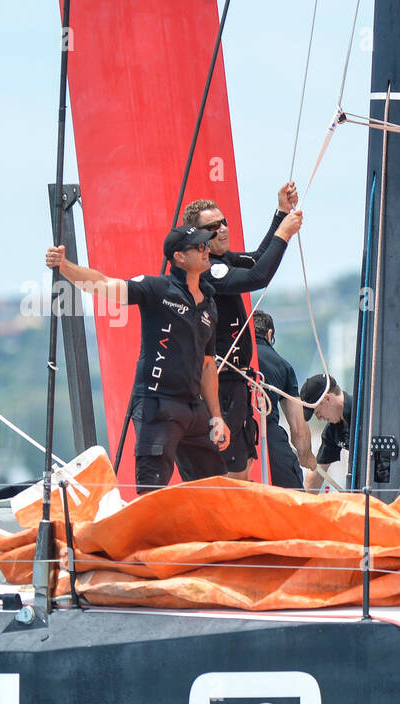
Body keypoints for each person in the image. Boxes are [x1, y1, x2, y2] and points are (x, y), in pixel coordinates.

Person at [45, 225, 230, 492]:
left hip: (194, 409)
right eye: (199, 246)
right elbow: (104, 284)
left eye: (205, 245)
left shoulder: (209, 303)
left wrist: (216, 416)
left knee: (218, 488)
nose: (206, 250)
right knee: (150, 492)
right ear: (178, 257)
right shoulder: (158, 288)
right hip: (158, 405)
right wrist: (65, 267)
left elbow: (208, 364)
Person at [183, 183, 304, 479]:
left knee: (244, 464)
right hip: (220, 386)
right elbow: (258, 275)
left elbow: (257, 258)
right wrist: (284, 234)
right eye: (212, 227)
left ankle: (236, 522)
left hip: (235, 383)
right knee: (231, 472)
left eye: (223, 222)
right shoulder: (208, 270)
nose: (223, 229)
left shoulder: (222, 260)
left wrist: (280, 214)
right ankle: (226, 524)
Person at [252, 312, 307, 489]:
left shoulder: (225, 358)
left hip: (228, 436)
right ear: (269, 334)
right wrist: (307, 456)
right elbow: (298, 429)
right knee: (293, 500)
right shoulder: (282, 365)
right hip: (268, 438)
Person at [296, 373, 352, 491]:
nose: (320, 419)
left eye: (318, 412)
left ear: (327, 399)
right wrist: (304, 504)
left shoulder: (367, 410)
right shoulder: (332, 430)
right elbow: (318, 472)